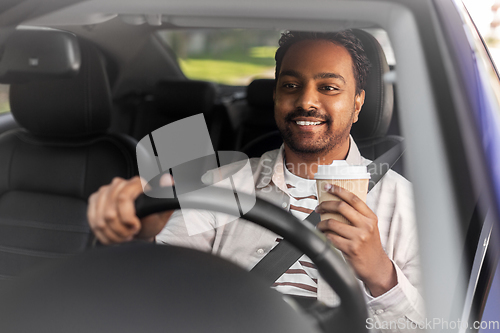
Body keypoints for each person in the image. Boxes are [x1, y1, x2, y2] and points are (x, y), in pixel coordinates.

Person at [88, 30, 424, 331]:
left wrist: (381, 273)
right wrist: (145, 235)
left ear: (357, 103)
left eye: (329, 88)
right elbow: (168, 294)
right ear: (276, 97)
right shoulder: (218, 183)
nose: (306, 101)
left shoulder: (408, 204)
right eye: (290, 86)